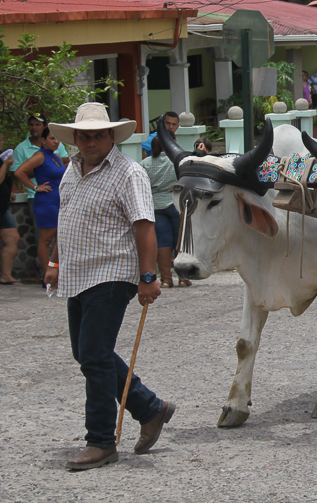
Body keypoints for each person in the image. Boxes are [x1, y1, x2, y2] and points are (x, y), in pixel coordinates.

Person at [43, 103, 175, 470]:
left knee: (95, 356)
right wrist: (54, 261)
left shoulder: (129, 173)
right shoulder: (72, 169)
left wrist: (148, 277)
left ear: (112, 136)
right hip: (77, 273)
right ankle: (150, 408)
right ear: (76, 139)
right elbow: (65, 218)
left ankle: (101, 442)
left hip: (112, 273)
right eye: (84, 136)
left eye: (99, 135)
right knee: (87, 353)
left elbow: (144, 226)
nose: (91, 142)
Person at [13, 127, 66, 278]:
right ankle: (46, 273)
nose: (56, 142)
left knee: (60, 237)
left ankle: (55, 270)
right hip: (46, 202)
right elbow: (19, 172)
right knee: (45, 239)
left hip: (59, 201)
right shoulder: (40, 155)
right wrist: (35, 187)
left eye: (57, 138)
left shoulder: (55, 156)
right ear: (43, 140)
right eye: (51, 139)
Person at [141, 137, 189, 288]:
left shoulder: (145, 164)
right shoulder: (175, 162)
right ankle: (182, 277)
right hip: (175, 203)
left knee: (162, 242)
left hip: (155, 205)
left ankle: (166, 279)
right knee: (179, 241)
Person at [11, 114, 69, 238]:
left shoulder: (56, 148)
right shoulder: (23, 149)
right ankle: (44, 259)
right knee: (44, 239)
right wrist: (36, 183)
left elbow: (65, 162)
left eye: (37, 124)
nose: (34, 127)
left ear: (45, 126)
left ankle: (53, 259)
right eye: (31, 124)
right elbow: (16, 173)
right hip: (40, 198)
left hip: (59, 198)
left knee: (61, 239)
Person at [0, 133, 20, 285]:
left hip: (2, 208)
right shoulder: (3, 162)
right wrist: (5, 165)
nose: (1, 143)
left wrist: (9, 193)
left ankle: (6, 275)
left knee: (12, 238)